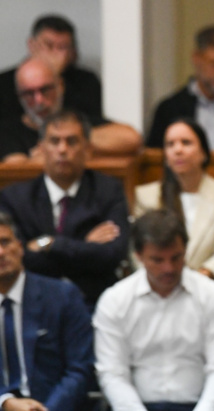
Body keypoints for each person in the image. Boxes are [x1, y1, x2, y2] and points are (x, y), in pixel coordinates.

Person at [94, 210, 214, 411]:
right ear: (138, 256)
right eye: (157, 260)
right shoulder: (115, 301)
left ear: (185, 250)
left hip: (200, 405)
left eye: (176, 257)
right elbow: (113, 373)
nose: (168, 268)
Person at [0, 109, 129, 308]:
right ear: (41, 149)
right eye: (54, 141)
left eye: (71, 141)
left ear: (88, 149)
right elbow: (19, 259)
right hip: (34, 305)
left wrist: (49, 244)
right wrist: (84, 245)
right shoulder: (15, 198)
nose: (62, 149)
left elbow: (112, 255)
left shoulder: (108, 190)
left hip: (94, 303)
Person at [135, 118, 214, 301]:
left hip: (209, 292)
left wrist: (195, 281)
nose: (178, 150)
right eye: (170, 144)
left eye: (186, 142)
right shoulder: (147, 197)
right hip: (157, 291)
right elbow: (138, 250)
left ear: (204, 153)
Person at [0, 212, 94, 411]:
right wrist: (4, 402)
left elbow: (80, 368)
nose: (0, 252)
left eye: (5, 242)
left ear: (20, 246)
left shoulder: (63, 296)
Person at [0, 57, 141, 162]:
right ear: (18, 95)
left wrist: (74, 137)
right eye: (29, 93)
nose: (39, 100)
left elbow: (131, 138)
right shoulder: (8, 132)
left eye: (45, 90)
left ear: (60, 86)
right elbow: (16, 170)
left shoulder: (78, 121)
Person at [0, 14, 102, 121]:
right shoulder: (4, 82)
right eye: (48, 45)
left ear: (71, 52)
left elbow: (93, 122)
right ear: (31, 45)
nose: (54, 53)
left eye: (62, 47)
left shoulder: (87, 81)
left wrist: (53, 75)